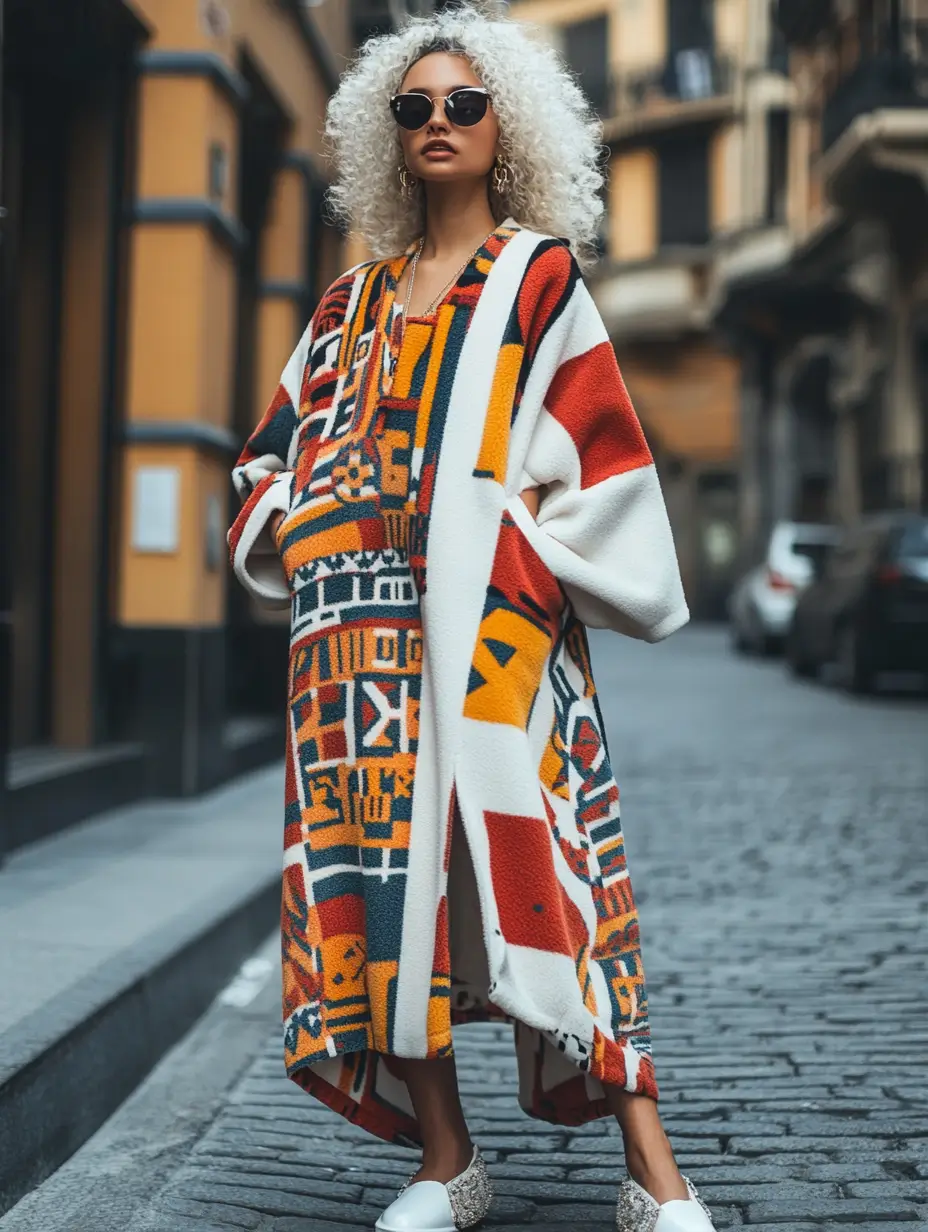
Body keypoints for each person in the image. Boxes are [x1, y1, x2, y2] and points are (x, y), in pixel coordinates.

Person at [228, 6, 716, 1231]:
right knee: (386, 891)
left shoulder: (538, 276)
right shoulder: (346, 306)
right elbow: (266, 463)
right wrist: (306, 527)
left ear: (504, 129)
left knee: (557, 875)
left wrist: (515, 551)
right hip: (353, 655)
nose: (437, 123)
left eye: (462, 104)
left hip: (499, 642)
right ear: (386, 137)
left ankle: (655, 1177)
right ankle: (447, 1159)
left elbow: (602, 465)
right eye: (413, 108)